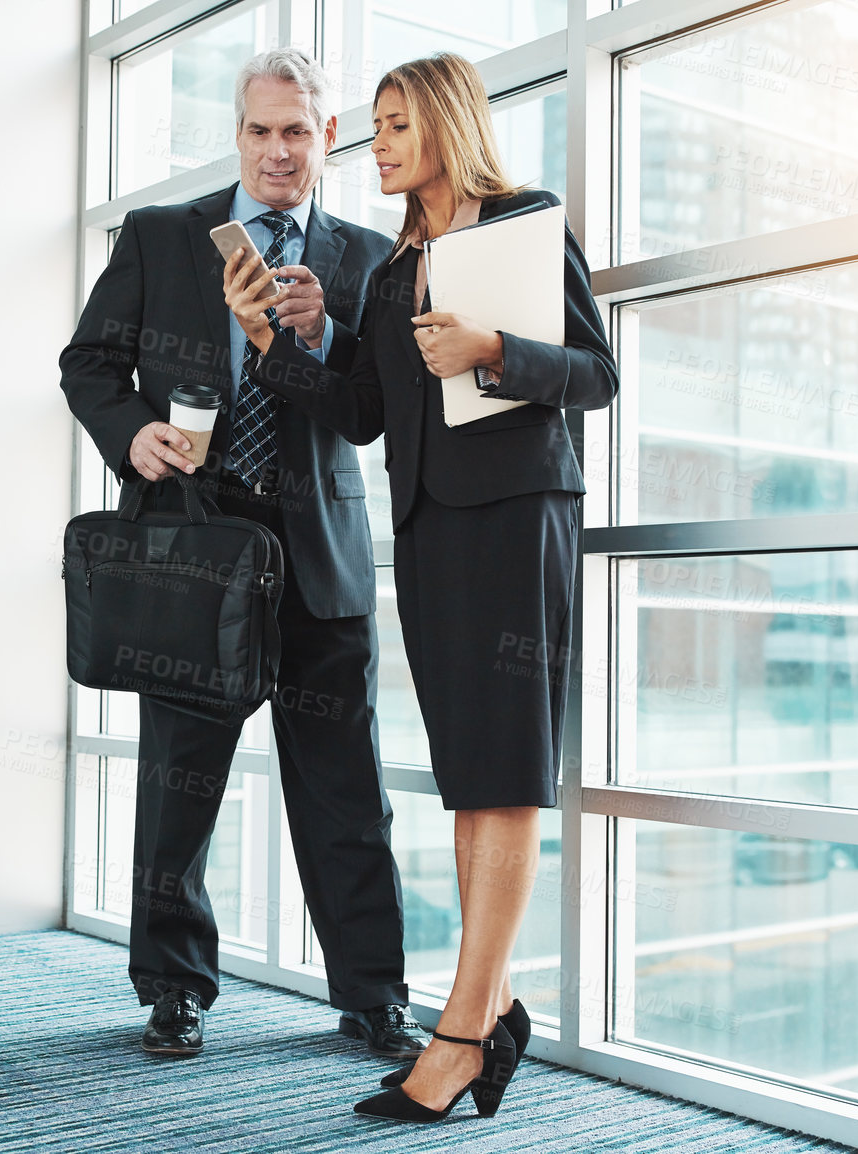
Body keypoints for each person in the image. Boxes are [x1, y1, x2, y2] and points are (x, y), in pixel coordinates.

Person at [223, 53, 617, 1122]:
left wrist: (494, 347)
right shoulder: (396, 268)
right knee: (470, 777)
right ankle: (482, 1016)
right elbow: (360, 413)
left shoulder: (521, 224)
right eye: (376, 127)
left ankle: (460, 1033)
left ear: (444, 123)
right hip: (433, 536)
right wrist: (273, 336)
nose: (378, 143)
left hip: (515, 525)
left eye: (395, 124)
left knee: (505, 775)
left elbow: (595, 372)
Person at [59, 47, 421, 1060]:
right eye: (259, 130)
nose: (276, 150)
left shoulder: (364, 259)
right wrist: (132, 432)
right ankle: (173, 987)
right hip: (194, 545)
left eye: (296, 131)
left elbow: (373, 411)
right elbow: (88, 363)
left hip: (319, 555)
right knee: (180, 785)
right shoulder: (162, 237)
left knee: (347, 790)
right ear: (237, 132)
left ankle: (372, 994)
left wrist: (319, 341)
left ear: (328, 136)